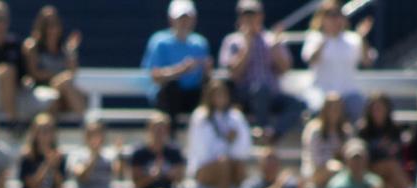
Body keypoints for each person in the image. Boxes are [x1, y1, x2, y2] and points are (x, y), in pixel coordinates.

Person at [218, 0, 301, 141]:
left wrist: (275, 47)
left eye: (253, 14)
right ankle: (261, 129)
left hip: (272, 94)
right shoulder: (232, 41)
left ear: (261, 16)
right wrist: (248, 45)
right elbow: (234, 74)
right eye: (246, 15)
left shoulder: (271, 39)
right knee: (260, 89)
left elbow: (285, 69)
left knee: (298, 104)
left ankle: (274, 134)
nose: (250, 19)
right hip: (244, 95)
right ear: (240, 17)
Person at [141, 0, 212, 132]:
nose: (184, 22)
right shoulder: (159, 42)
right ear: (171, 19)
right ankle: (170, 138)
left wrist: (206, 72)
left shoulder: (200, 43)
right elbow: (155, 76)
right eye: (180, 18)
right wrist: (180, 70)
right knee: (172, 88)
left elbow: (205, 78)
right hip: (168, 98)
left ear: (194, 19)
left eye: (187, 18)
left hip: (192, 96)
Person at [185, 77, 251, 188]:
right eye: (216, 94)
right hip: (203, 169)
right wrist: (226, 143)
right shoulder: (200, 117)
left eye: (222, 94)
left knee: (239, 166)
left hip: (230, 165)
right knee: (223, 163)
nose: (219, 98)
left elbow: (244, 148)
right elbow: (200, 151)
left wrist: (232, 144)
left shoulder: (236, 117)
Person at [302, 0, 375, 124]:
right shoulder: (315, 38)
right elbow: (310, 60)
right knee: (315, 111)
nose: (335, 19)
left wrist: (362, 39)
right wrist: (325, 40)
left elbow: (368, 61)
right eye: (330, 15)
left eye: (338, 15)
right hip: (322, 92)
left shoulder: (354, 39)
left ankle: (354, 141)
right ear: (322, 19)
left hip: (349, 93)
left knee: (362, 108)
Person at [22, 6, 86, 118]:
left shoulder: (64, 49)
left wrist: (71, 50)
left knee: (75, 90)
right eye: (47, 24)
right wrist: (57, 76)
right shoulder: (33, 47)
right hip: (41, 90)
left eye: (55, 24)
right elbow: (35, 73)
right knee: (65, 84)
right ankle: (86, 121)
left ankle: (86, 124)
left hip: (62, 92)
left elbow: (73, 72)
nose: (52, 29)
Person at [300, 92, 352, 188]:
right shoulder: (314, 130)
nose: (334, 111)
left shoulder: (346, 131)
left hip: (340, 172)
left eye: (337, 108)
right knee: (333, 168)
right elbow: (316, 161)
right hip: (316, 174)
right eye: (331, 108)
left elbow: (350, 157)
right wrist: (334, 159)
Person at [19, 113, 69, 188]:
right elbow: (32, 187)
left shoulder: (59, 156)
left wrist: (55, 167)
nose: (46, 134)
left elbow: (60, 185)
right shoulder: (27, 157)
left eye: (49, 130)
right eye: (42, 131)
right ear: (35, 133)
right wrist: (47, 165)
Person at [357, 93, 409, 188]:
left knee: (391, 177)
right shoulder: (363, 130)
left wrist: (391, 149)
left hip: (391, 171)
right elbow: (361, 153)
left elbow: (399, 153)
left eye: (380, 108)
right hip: (370, 168)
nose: (377, 112)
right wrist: (378, 146)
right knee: (392, 166)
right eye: (374, 109)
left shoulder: (395, 129)